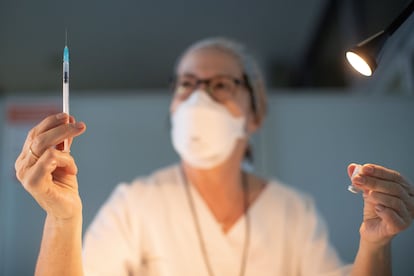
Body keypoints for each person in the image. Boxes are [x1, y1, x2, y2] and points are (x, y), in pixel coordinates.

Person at [15, 37, 414, 276]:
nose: (199, 99)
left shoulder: (291, 213)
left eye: (220, 84)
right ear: (172, 109)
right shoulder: (134, 206)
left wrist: (375, 245)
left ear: (254, 113)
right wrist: (62, 218)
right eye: (187, 85)